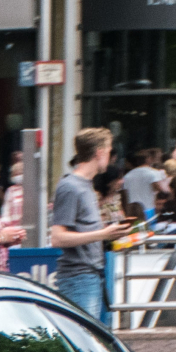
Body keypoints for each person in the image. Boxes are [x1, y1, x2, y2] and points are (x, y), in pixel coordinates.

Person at [50, 128, 132, 321]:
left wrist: (112, 236)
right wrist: (103, 234)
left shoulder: (85, 185)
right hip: (79, 278)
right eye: (109, 151)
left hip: (91, 276)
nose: (111, 157)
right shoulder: (71, 186)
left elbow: (83, 231)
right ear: (99, 153)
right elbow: (57, 238)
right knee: (83, 342)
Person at [119, 148, 166, 221]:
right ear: (148, 159)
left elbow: (124, 195)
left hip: (133, 212)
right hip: (150, 209)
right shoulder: (154, 173)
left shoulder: (127, 176)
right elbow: (160, 190)